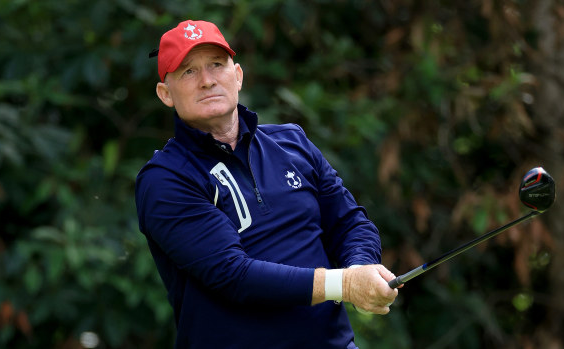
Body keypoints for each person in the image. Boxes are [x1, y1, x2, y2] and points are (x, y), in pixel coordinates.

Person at [135, 19, 399, 349]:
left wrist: (360, 267)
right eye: (188, 71)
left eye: (216, 64)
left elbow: (349, 222)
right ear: (165, 94)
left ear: (238, 75)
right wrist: (345, 284)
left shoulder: (292, 142)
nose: (206, 81)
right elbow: (233, 275)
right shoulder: (165, 179)